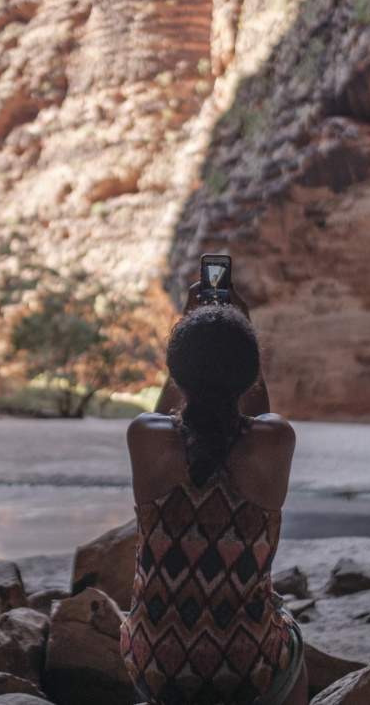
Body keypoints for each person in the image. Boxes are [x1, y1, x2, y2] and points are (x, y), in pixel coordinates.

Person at [119, 281, 308, 705]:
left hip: (154, 661)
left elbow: (173, 407)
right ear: (249, 371)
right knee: (291, 633)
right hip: (248, 666)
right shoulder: (275, 440)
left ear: (176, 370)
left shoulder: (145, 437)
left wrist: (190, 328)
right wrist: (240, 328)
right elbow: (257, 415)